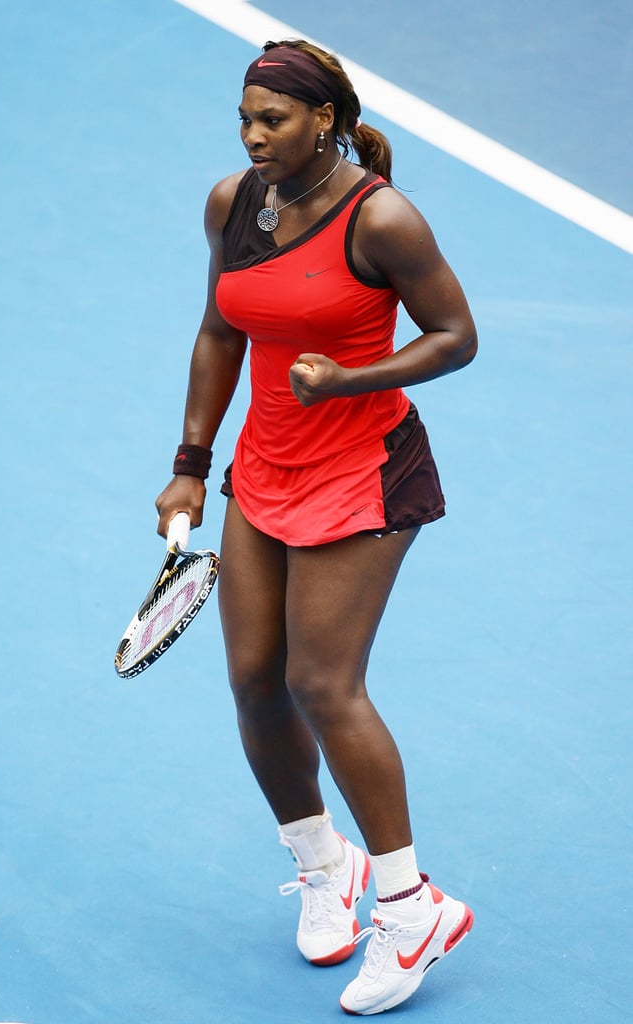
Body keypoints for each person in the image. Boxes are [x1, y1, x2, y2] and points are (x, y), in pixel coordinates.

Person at [156, 38, 477, 1016]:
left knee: (320, 682)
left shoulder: (382, 218)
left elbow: (456, 336)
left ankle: (412, 906)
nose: (253, 138)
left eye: (273, 121)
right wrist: (188, 469)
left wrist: (352, 377)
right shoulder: (231, 203)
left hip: (365, 472)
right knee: (255, 680)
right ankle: (321, 860)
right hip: (266, 468)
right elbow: (219, 329)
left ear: (324, 120)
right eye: (245, 120)